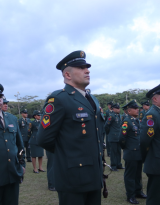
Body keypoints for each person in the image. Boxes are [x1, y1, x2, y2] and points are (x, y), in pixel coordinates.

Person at [36, 50, 104, 205]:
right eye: (81, 67)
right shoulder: (59, 99)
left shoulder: (92, 99)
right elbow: (44, 138)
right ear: (67, 75)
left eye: (87, 67)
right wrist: (68, 154)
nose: (87, 70)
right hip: (72, 175)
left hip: (94, 173)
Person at [119, 100, 147, 204]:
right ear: (129, 111)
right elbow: (122, 138)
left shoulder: (136, 121)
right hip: (131, 152)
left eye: (138, 108)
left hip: (138, 152)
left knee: (137, 174)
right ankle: (130, 195)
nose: (138, 110)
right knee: (130, 176)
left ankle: (138, 191)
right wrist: (127, 148)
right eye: (135, 109)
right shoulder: (127, 121)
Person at [105, 103, 124, 171]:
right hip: (113, 137)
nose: (119, 110)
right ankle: (113, 166)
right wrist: (109, 133)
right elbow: (106, 126)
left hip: (118, 136)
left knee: (119, 151)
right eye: (117, 108)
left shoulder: (119, 115)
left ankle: (119, 164)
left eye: (119, 108)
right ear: (113, 109)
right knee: (113, 152)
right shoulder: (111, 116)